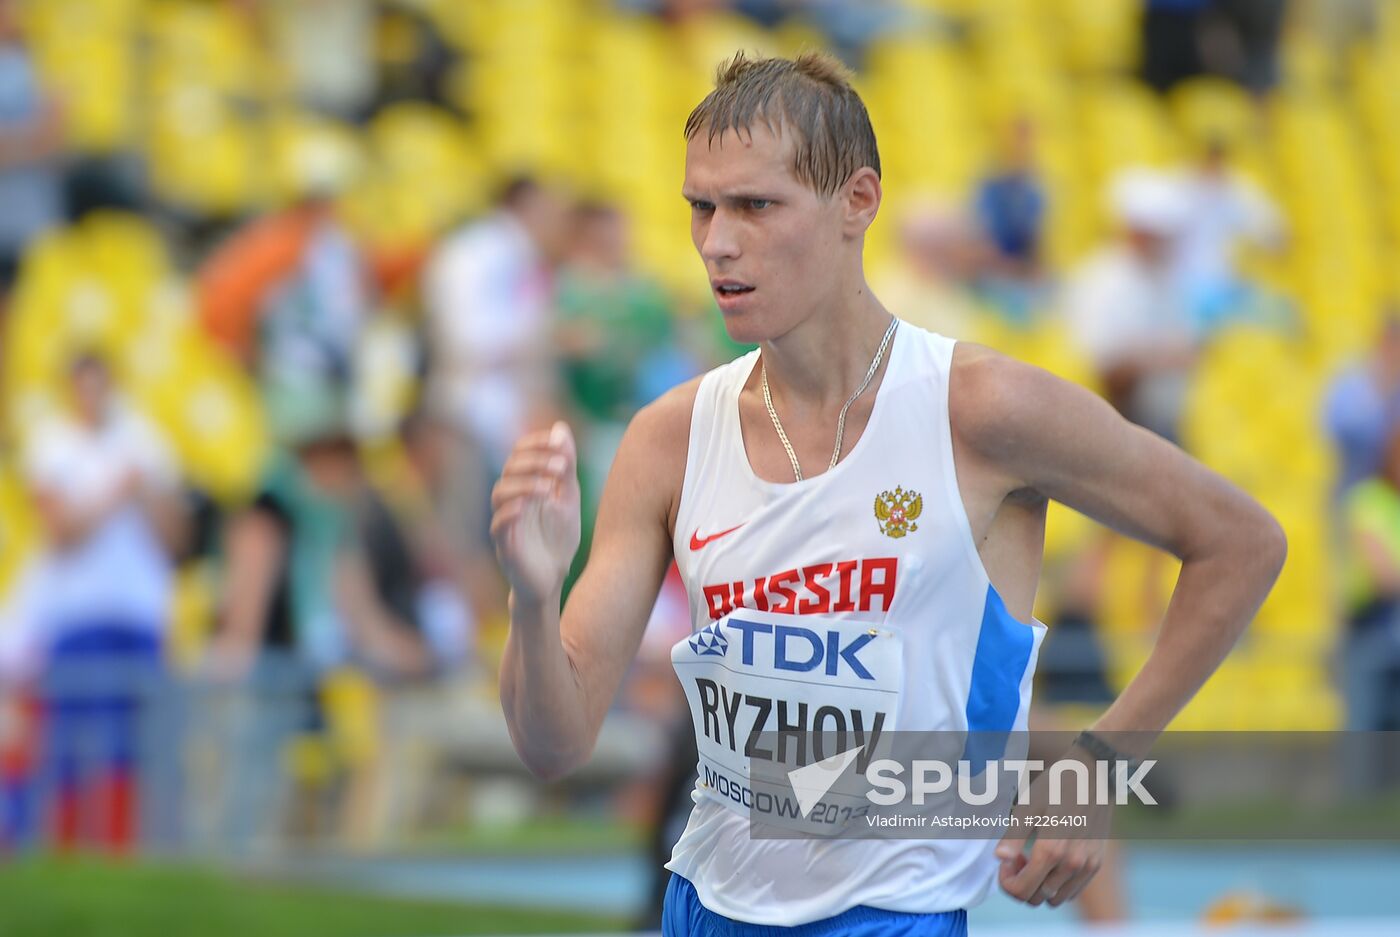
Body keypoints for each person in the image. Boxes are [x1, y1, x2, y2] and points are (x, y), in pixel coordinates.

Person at [491, 52, 1285, 932]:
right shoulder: (669, 437)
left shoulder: (981, 408)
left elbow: (1242, 541)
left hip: (892, 912)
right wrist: (532, 591)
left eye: (756, 205)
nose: (718, 241)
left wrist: (1096, 765)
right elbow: (554, 743)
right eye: (701, 207)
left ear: (857, 202)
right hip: (704, 904)